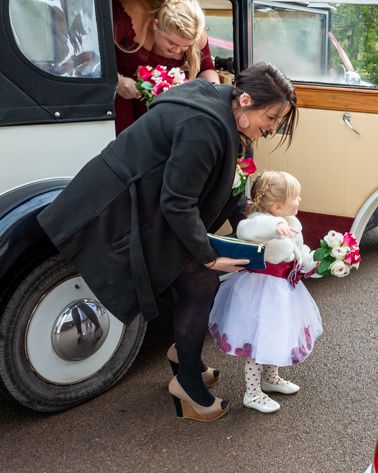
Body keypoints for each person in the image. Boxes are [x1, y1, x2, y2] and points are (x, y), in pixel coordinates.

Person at [37, 62, 298, 421]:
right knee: (201, 282)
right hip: (116, 206)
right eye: (271, 118)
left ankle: (184, 357)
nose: (272, 128)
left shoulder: (222, 102)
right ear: (247, 100)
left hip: (146, 203)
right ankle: (186, 381)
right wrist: (209, 256)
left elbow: (219, 189)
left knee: (192, 282)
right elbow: (178, 202)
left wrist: (257, 226)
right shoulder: (206, 127)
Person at [209, 171, 323, 414]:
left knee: (275, 335)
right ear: (277, 205)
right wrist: (275, 225)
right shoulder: (261, 221)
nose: (300, 199)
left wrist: (319, 261)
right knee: (260, 339)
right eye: (296, 196)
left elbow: (299, 252)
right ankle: (252, 392)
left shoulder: (292, 223)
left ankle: (271, 378)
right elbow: (247, 229)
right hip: (261, 291)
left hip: (284, 290)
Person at [113, 0, 219, 134]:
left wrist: (214, 98)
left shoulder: (194, 33)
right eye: (171, 43)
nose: (177, 51)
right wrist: (117, 81)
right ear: (155, 24)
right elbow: (88, 59)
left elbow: (207, 69)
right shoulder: (127, 17)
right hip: (121, 102)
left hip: (165, 110)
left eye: (185, 46)